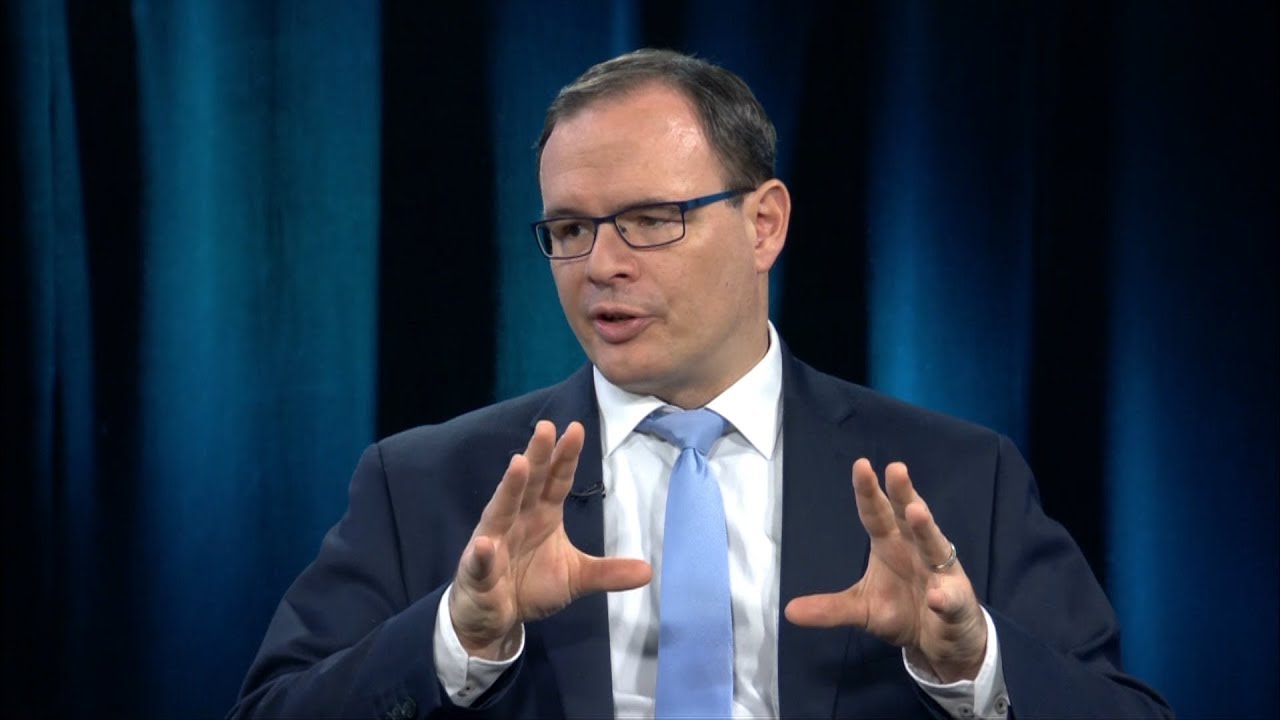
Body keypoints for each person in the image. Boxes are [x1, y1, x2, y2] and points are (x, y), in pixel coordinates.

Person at [230, 49, 1171, 719]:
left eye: (649, 219)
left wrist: (976, 666)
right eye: (570, 229)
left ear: (764, 224)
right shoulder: (428, 483)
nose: (601, 265)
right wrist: (454, 640)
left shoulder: (956, 477)